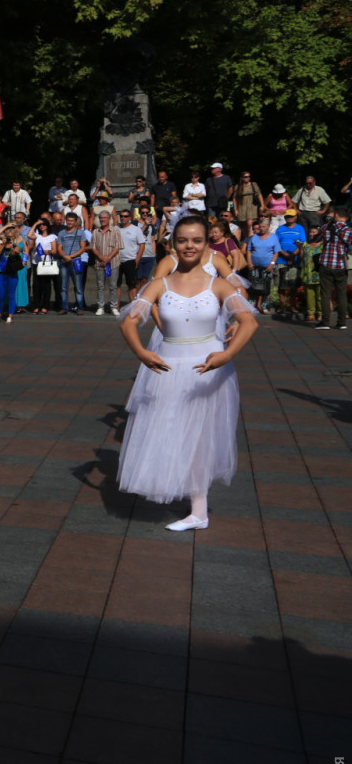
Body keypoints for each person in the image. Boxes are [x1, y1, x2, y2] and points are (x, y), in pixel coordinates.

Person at [118, 215, 257, 531]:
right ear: (173, 244)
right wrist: (141, 352)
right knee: (170, 430)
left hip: (207, 371)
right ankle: (186, 498)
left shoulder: (218, 284)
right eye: (182, 240)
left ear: (207, 244)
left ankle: (199, 511)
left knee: (200, 439)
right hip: (168, 367)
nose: (189, 246)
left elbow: (249, 321)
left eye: (196, 240)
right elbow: (129, 321)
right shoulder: (160, 284)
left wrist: (226, 355)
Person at [314, 205, 350, 330]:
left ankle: (325, 322)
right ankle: (341, 322)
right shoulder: (349, 230)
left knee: (325, 294)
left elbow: (315, 239)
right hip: (341, 264)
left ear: (336, 215)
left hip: (326, 263)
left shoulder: (326, 227)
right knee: (342, 294)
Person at [0, 224, 25, 324]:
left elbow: (15, 253)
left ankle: (10, 315)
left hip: (12, 274)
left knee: (11, 295)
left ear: (14, 237)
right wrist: (3, 244)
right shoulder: (1, 245)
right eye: (8, 236)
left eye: (11, 236)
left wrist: (12, 245)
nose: (9, 238)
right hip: (1, 273)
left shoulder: (16, 247)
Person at [89, 209, 123, 315]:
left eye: (105, 218)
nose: (102, 219)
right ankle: (100, 307)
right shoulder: (95, 232)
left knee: (113, 286)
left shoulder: (116, 231)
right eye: (101, 218)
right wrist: (102, 257)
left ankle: (114, 307)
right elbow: (93, 247)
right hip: (99, 263)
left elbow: (118, 247)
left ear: (109, 219)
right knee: (100, 286)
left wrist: (108, 258)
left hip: (113, 262)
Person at [55, 212, 91, 313]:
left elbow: (83, 248)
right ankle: (64, 307)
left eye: (72, 221)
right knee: (63, 286)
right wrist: (64, 256)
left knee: (78, 286)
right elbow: (59, 248)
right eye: (68, 220)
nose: (69, 222)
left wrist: (71, 256)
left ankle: (80, 307)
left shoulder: (80, 233)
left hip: (76, 261)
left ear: (75, 222)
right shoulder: (61, 233)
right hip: (64, 261)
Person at [274, 209, 307, 315]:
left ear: (296, 217)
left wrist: (292, 256)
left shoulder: (300, 228)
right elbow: (276, 244)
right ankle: (282, 306)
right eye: (287, 216)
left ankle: (292, 306)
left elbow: (302, 243)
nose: (289, 218)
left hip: (295, 260)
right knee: (281, 285)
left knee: (293, 285)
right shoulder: (280, 229)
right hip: (281, 260)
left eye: (291, 216)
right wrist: (286, 255)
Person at [244, 218, 279, 313]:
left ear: (268, 227)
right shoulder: (254, 237)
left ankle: (264, 306)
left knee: (266, 287)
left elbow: (276, 252)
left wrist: (272, 264)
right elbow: (249, 250)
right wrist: (249, 262)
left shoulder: (273, 237)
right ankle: (251, 305)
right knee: (253, 286)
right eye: (260, 227)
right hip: (254, 266)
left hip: (267, 266)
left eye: (263, 227)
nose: (261, 229)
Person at [116, 208, 146, 305]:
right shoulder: (115, 229)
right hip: (117, 261)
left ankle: (133, 307)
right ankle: (116, 307)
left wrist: (137, 260)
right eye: (121, 216)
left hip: (130, 260)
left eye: (125, 216)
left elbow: (142, 245)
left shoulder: (136, 229)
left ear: (129, 217)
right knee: (116, 285)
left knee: (132, 285)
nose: (123, 218)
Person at [29, 219, 59, 314]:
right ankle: (36, 305)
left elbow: (54, 251)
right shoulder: (37, 235)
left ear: (47, 226)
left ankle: (45, 305)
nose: (42, 226)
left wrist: (47, 251)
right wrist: (35, 223)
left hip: (47, 262)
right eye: (40, 225)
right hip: (37, 262)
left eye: (44, 224)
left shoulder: (52, 236)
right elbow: (29, 235)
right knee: (36, 285)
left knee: (46, 285)